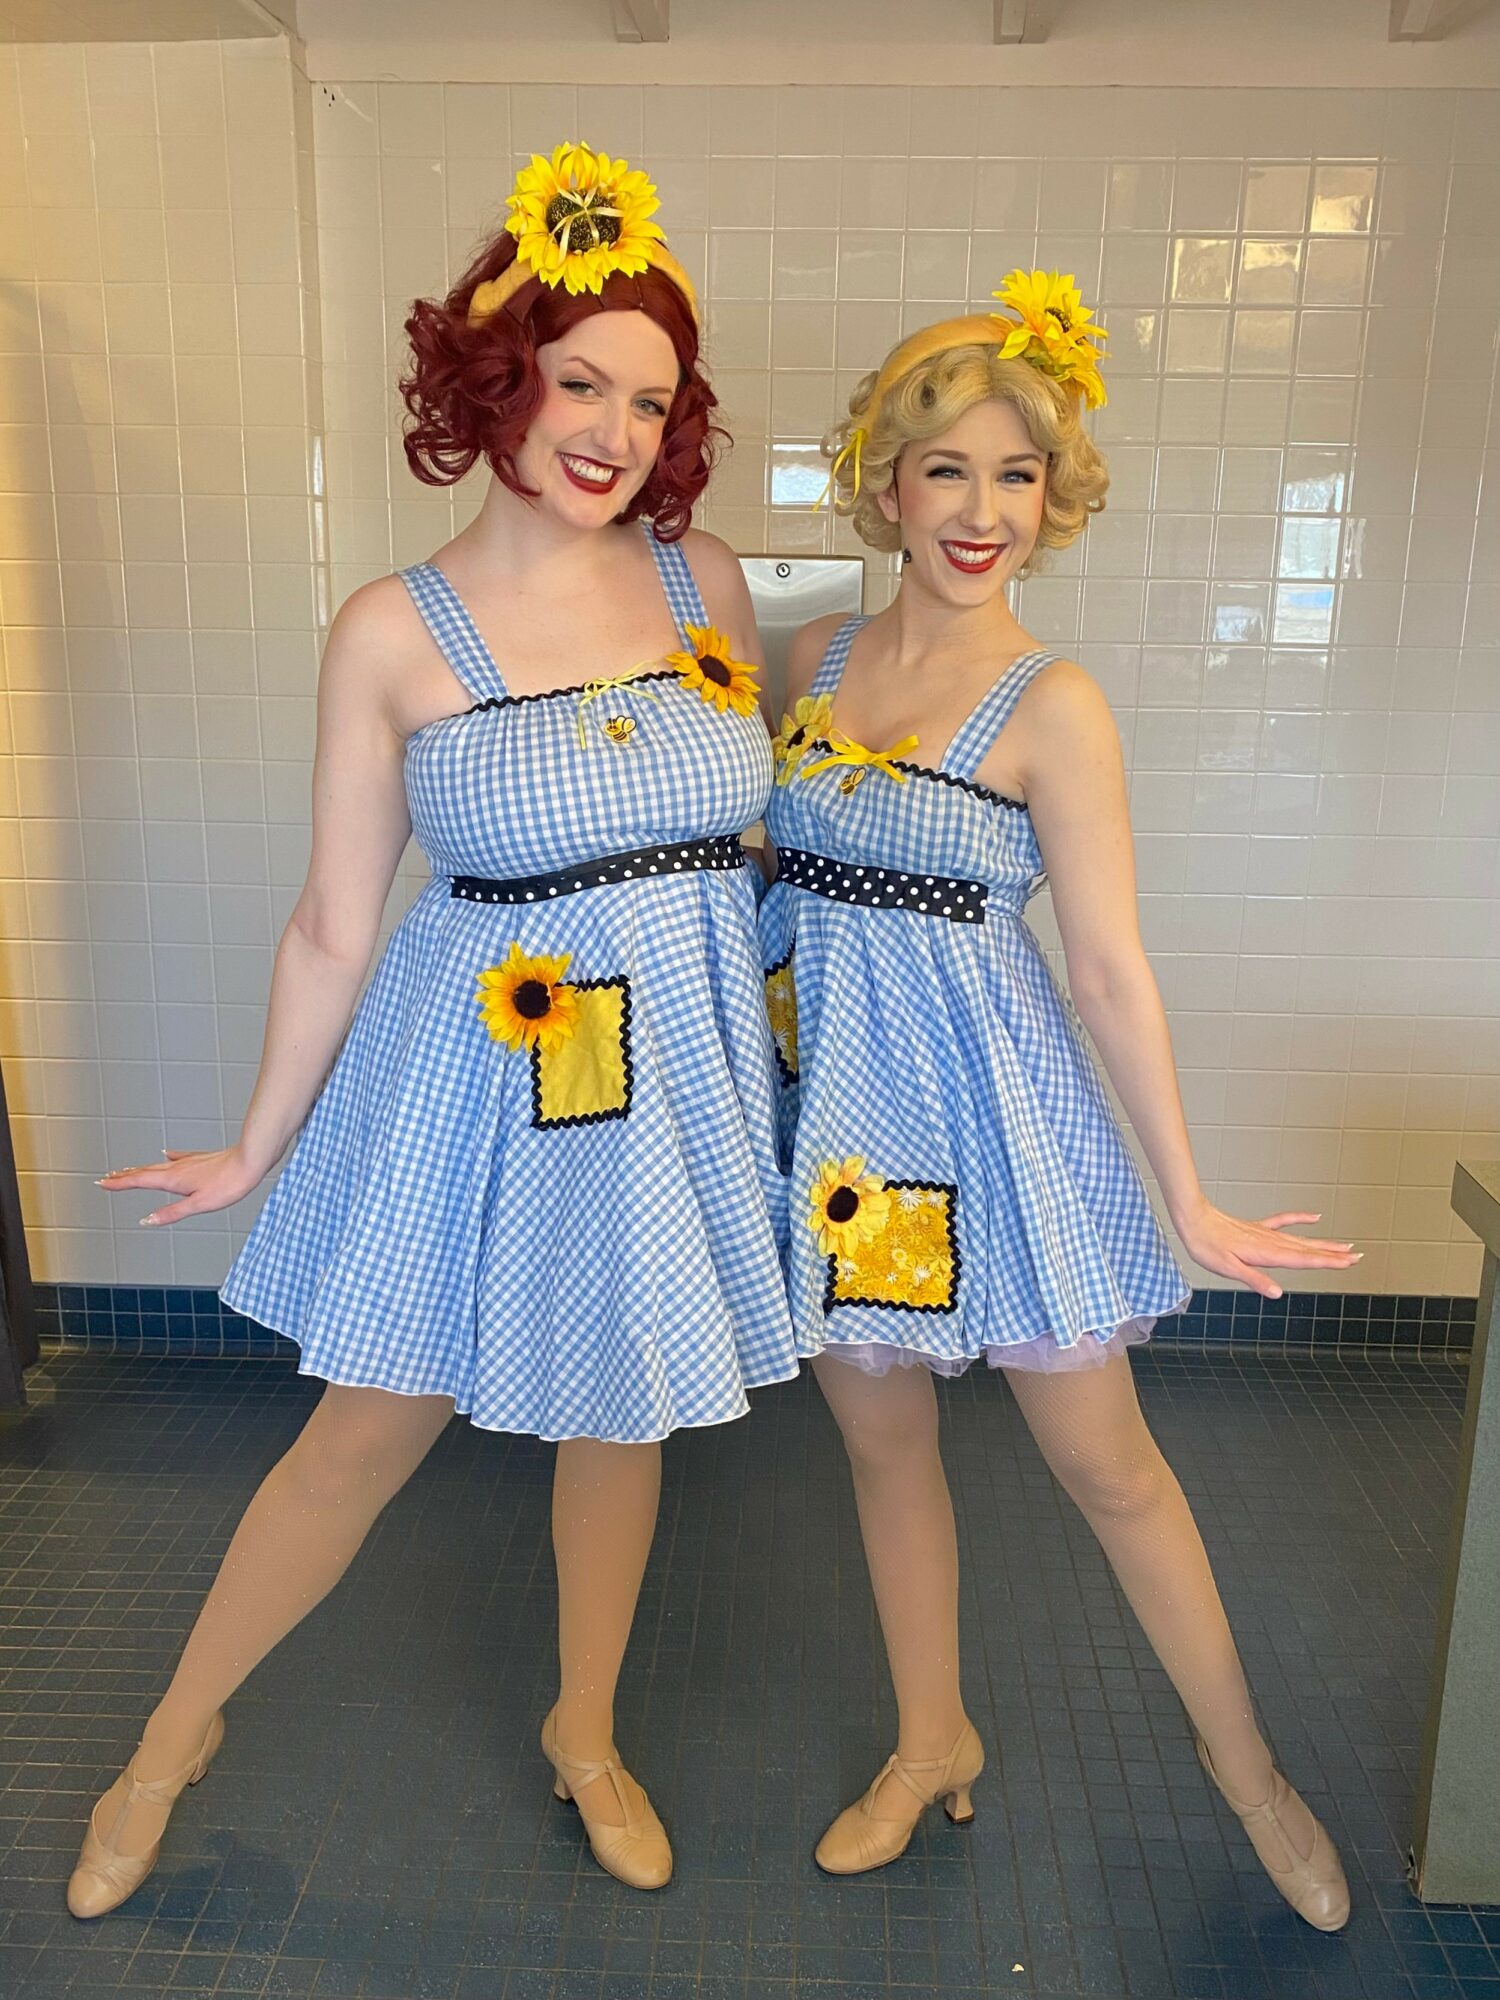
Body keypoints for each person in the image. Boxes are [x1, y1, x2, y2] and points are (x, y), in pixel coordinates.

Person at [73, 141, 799, 1912]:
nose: (614, 428)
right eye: (578, 380)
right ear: (498, 376)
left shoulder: (705, 580)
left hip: (670, 1074)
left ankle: (583, 1729)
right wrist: (257, 1137)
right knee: (360, 1434)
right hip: (476, 1066)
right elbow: (336, 918)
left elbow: (759, 834)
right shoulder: (397, 631)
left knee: (618, 1421)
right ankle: (166, 1745)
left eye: (648, 395)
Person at [759, 270, 1359, 1929]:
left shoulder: (1055, 706)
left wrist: (1188, 1192)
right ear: (887, 481)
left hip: (998, 1125)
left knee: (1112, 1467)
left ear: (1053, 497)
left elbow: (1106, 971)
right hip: (846, 1134)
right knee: (883, 1449)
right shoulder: (807, 657)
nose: (980, 511)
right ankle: (927, 1739)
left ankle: (1252, 1779)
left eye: (1015, 476)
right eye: (947, 469)